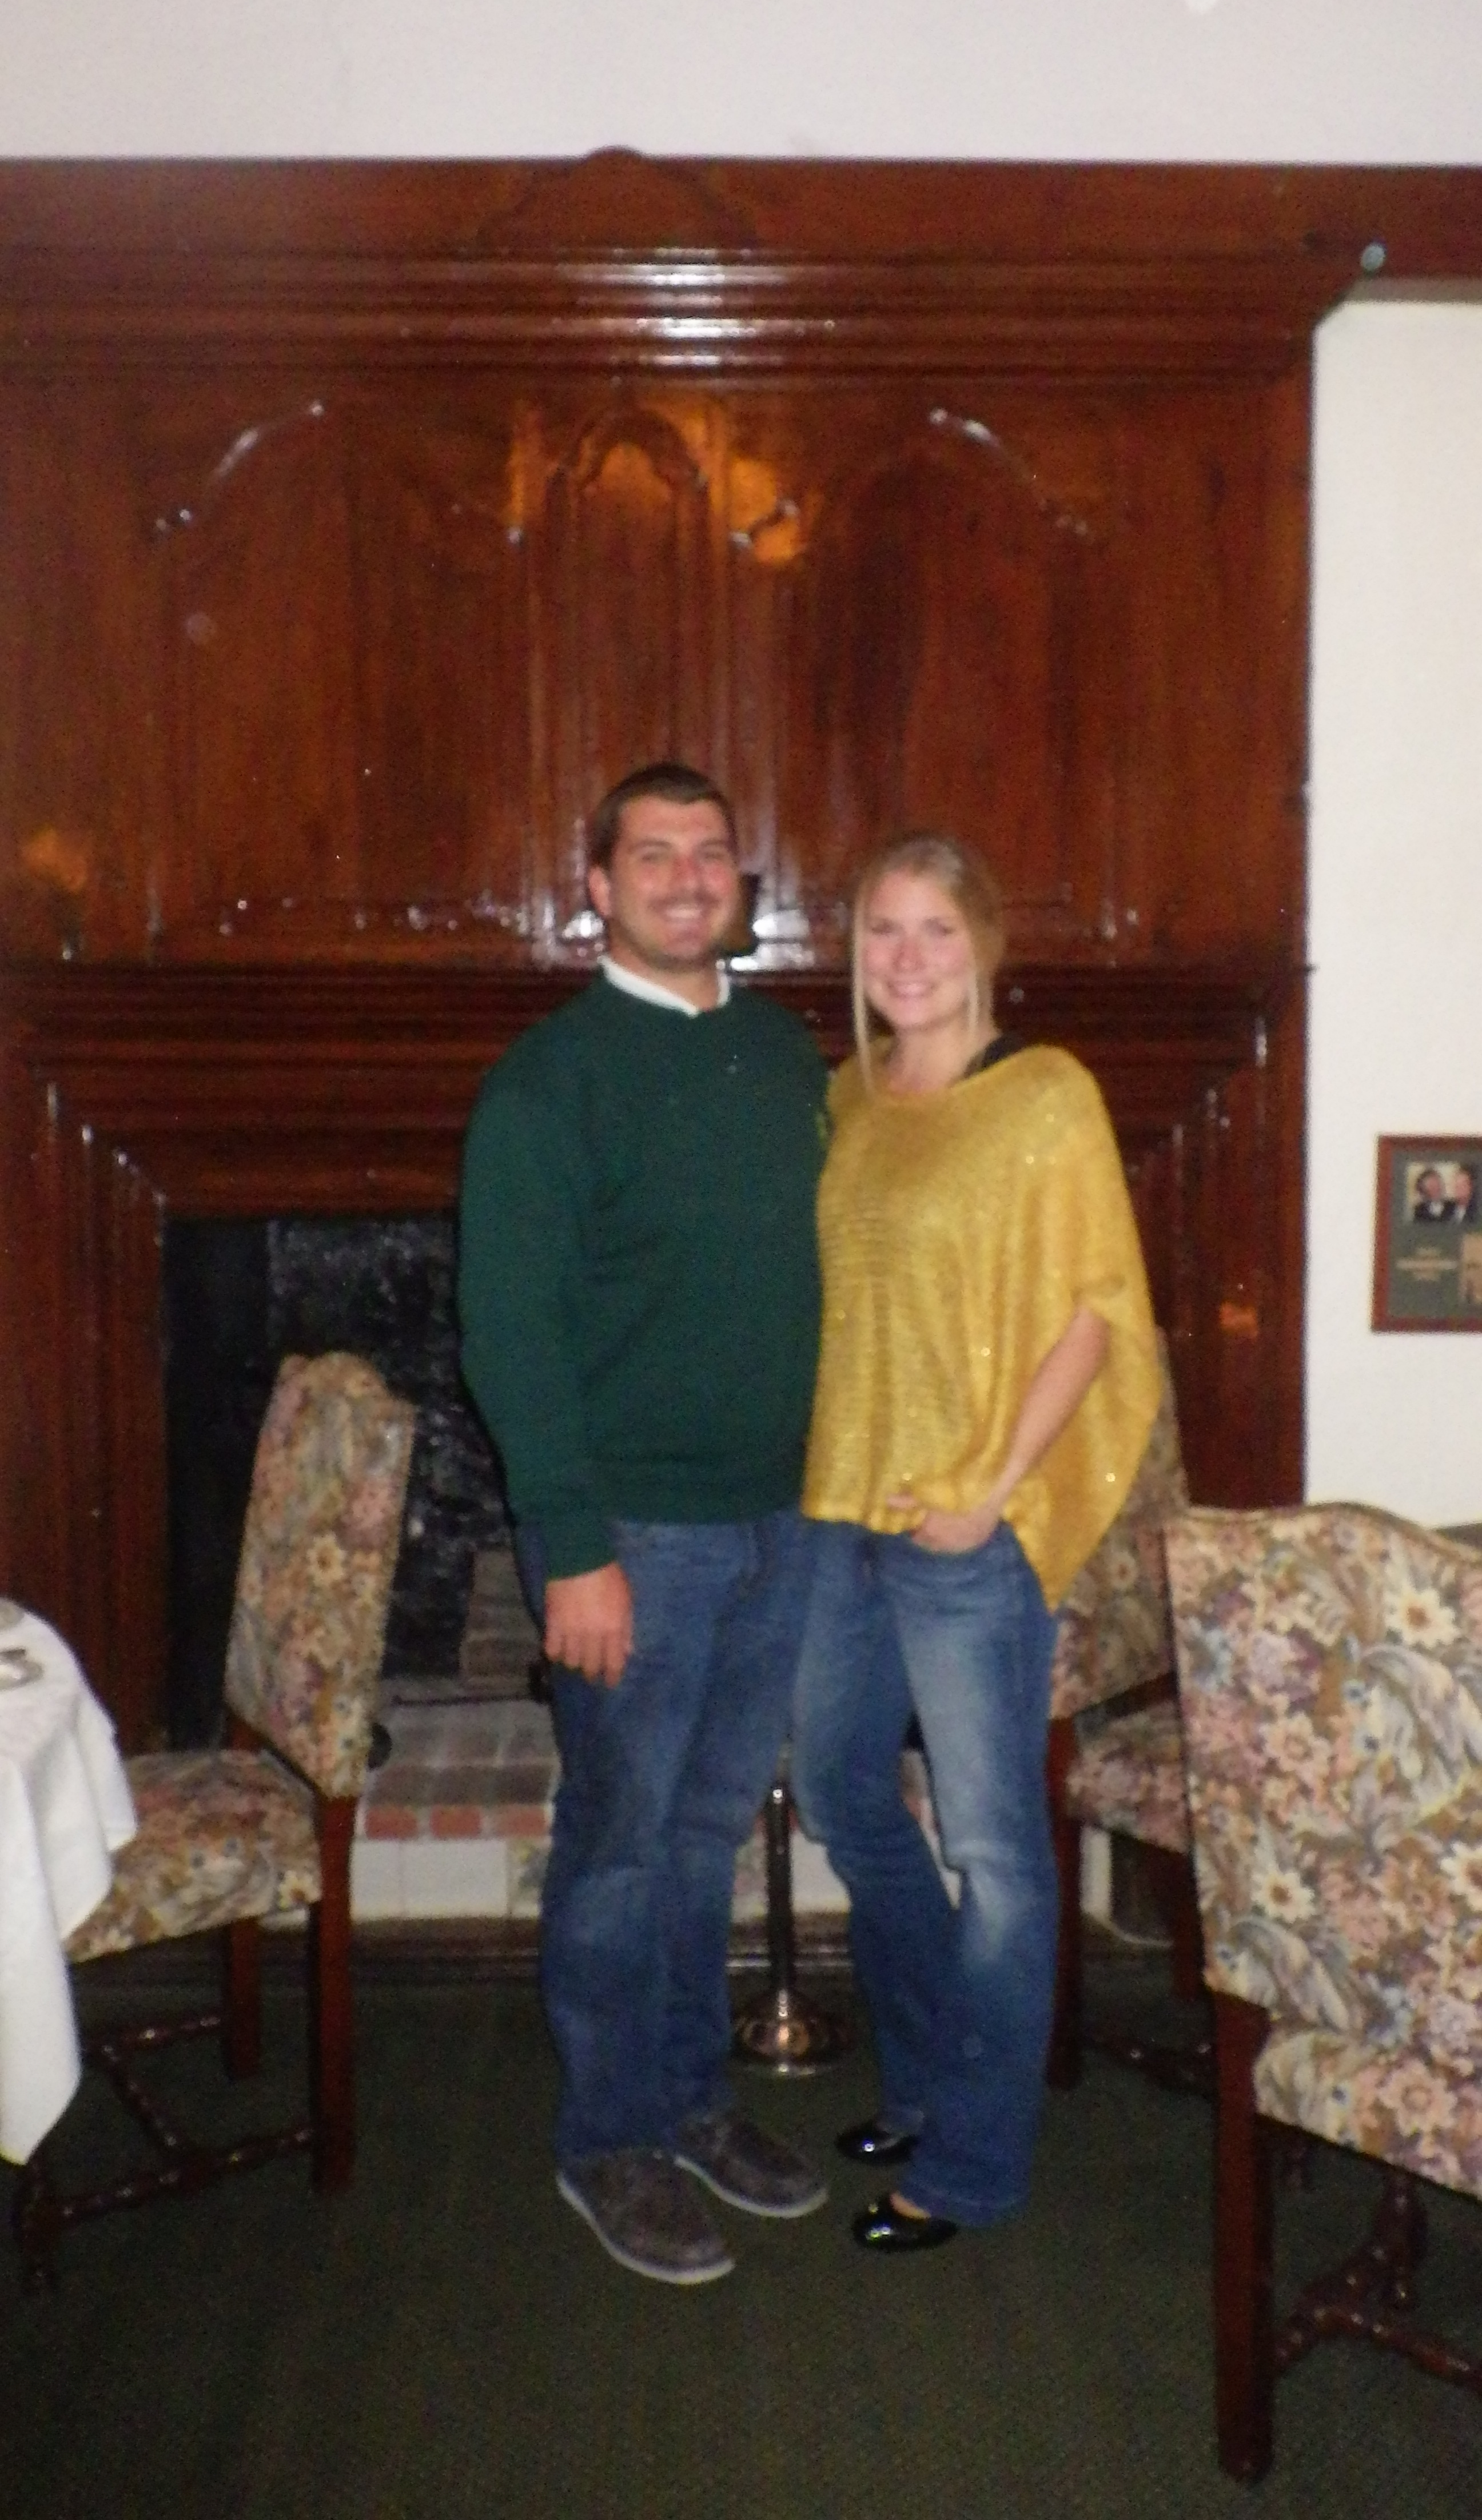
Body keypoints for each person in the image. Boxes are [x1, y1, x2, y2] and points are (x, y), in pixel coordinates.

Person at [458, 761, 829, 2287]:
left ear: (742, 882)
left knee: (703, 1836)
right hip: (631, 1539)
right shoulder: (549, 1084)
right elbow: (509, 1333)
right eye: (654, 854)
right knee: (617, 1848)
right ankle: (607, 2139)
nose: (688, 876)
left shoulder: (791, 1058)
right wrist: (575, 1546)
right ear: (599, 888)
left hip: (780, 1525)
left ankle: (688, 2102)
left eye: (712, 852)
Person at [790, 830, 1160, 2253]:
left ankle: (975, 2161)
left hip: (966, 1529)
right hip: (842, 1510)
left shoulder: (1045, 1095)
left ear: (986, 945)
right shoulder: (850, 1095)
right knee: (843, 1793)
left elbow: (1095, 1312)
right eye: (882, 931)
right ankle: (937, 2079)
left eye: (935, 930)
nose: (906, 958)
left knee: (997, 1853)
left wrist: (996, 1485)